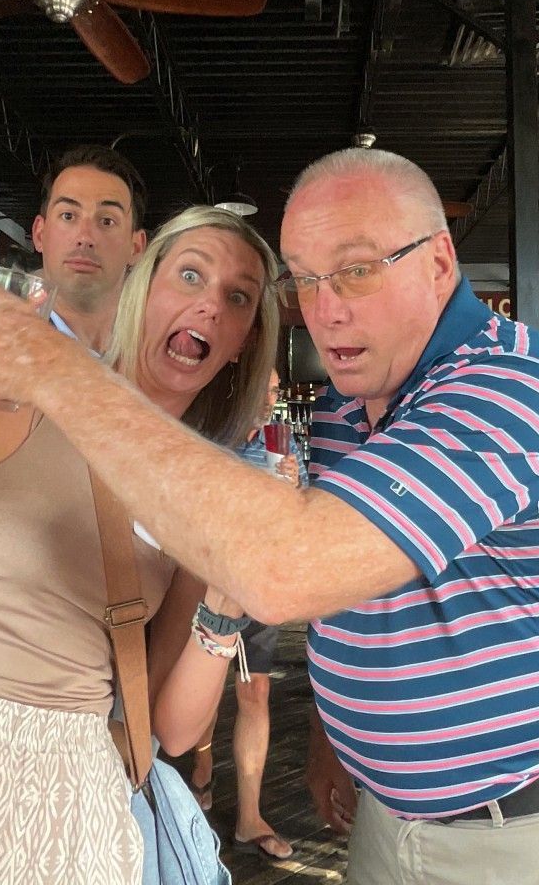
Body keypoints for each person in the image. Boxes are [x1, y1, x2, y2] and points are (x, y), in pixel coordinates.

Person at [0, 149, 539, 885]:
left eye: (356, 268)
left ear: (438, 262)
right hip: (382, 814)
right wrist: (336, 738)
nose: (327, 305)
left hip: (527, 829)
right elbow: (356, 591)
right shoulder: (340, 400)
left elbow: (276, 582)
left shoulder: (506, 383)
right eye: (305, 277)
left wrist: (58, 370)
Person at [0, 204, 279, 884]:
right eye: (190, 274)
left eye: (237, 297)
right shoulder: (20, 396)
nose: (209, 305)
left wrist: (225, 604)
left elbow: (174, 731)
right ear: (141, 286)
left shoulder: (202, 497)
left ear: (242, 339)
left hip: (70, 784)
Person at [190, 367, 307, 862]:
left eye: (276, 391)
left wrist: (295, 488)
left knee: (255, 690)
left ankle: (249, 817)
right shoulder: (206, 433)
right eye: (264, 388)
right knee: (204, 691)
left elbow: (297, 514)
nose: (270, 398)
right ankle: (198, 781)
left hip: (260, 581)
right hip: (206, 582)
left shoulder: (281, 442)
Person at [35, 144, 147, 353]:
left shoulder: (160, 358)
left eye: (106, 221)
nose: (85, 237)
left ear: (136, 247)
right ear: (39, 234)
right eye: (68, 216)